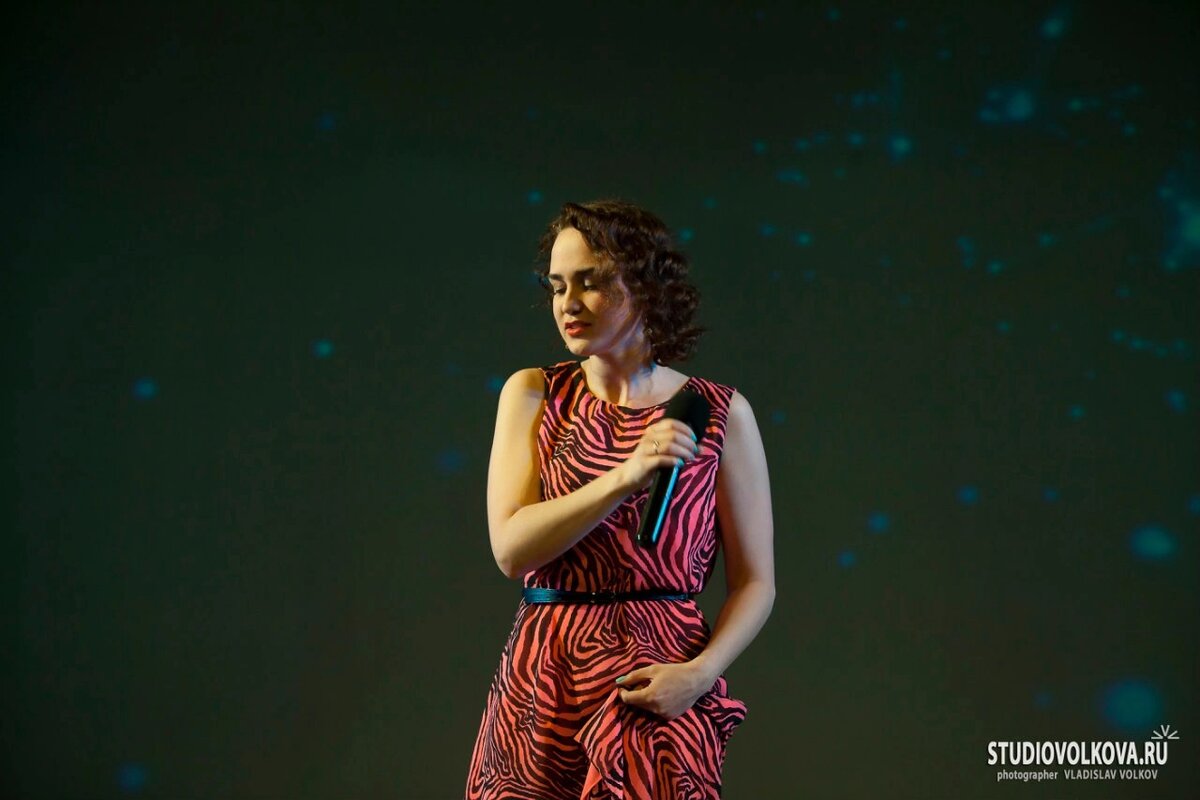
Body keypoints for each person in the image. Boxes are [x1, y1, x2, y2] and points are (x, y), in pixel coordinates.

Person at [465, 199, 775, 800]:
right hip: (546, 678)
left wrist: (700, 675)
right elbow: (510, 549)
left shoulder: (719, 412)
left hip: (660, 680)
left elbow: (756, 582)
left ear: (646, 286)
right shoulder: (534, 394)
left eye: (591, 282)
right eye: (557, 286)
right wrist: (626, 476)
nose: (568, 304)